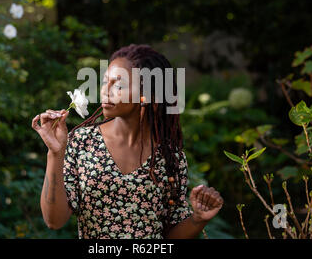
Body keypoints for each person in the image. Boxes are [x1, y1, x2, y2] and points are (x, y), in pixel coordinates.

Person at [32, 44, 224, 239]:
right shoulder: (82, 143)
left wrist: (198, 220)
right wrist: (55, 154)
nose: (106, 91)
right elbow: (53, 221)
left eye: (119, 85)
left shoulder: (170, 157)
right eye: (105, 81)